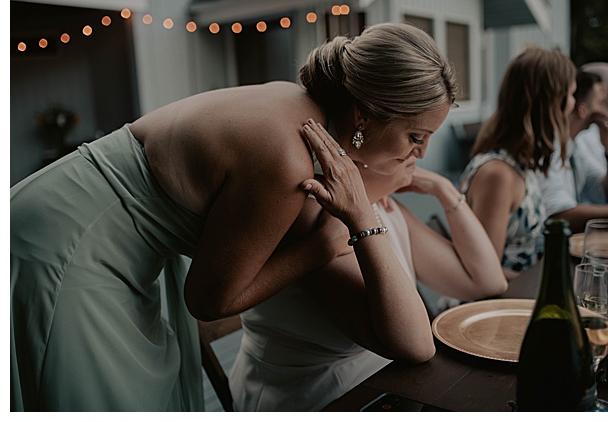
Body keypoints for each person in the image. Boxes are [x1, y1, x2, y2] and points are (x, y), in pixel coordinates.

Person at [10, 22, 454, 411]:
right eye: (416, 135)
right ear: (363, 115)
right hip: (69, 240)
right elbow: (208, 302)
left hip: (84, 224)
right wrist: (319, 247)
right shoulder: (287, 157)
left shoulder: (297, 108)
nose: (422, 153)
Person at [230, 118, 507, 411]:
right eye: (414, 137)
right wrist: (362, 206)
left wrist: (443, 189)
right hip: (312, 400)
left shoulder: (382, 206)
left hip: (386, 386)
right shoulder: (315, 217)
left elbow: (486, 281)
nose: (421, 153)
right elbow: (416, 346)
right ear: (358, 143)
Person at [459, 47, 574, 277]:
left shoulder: (520, 164)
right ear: (553, 103)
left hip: (521, 292)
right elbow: (485, 275)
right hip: (494, 306)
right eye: (571, 94)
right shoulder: (498, 175)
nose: (573, 103)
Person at [541, 71, 608, 232]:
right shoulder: (551, 149)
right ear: (583, 110)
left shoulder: (574, 149)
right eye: (600, 103)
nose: (606, 111)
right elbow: (560, 215)